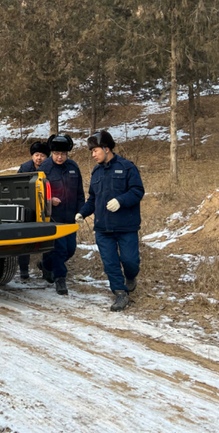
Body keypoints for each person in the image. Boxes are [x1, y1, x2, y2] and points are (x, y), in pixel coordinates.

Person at [76, 130, 145, 312]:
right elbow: (93, 198)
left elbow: (137, 191)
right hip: (103, 228)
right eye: (91, 152)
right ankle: (120, 293)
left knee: (130, 261)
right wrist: (82, 213)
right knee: (110, 263)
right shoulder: (96, 172)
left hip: (126, 225)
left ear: (106, 149)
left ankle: (130, 277)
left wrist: (120, 201)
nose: (93, 155)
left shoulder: (127, 167)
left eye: (95, 151)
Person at [37, 134, 84, 295]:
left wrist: (81, 212)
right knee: (60, 250)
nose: (60, 157)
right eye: (57, 154)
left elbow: (79, 192)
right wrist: (49, 201)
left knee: (70, 249)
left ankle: (46, 265)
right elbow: (37, 195)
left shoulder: (73, 167)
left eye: (63, 154)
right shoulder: (45, 168)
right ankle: (60, 279)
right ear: (52, 152)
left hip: (70, 216)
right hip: (53, 217)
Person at [16, 141, 51, 280]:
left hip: (45, 207)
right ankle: (24, 269)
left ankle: (46, 269)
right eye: (36, 155)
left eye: (42, 155)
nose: (39, 158)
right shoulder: (25, 167)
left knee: (48, 239)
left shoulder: (50, 168)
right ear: (32, 156)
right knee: (25, 239)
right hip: (28, 206)